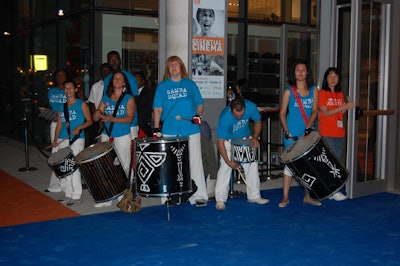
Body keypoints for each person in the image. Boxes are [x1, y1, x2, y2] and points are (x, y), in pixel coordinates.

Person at [152, 55, 208, 207]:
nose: (173, 67)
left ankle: (199, 195)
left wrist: (198, 115)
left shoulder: (190, 84)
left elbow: (200, 104)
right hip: (170, 130)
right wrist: (156, 128)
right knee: (170, 164)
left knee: (194, 163)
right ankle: (169, 196)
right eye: (170, 65)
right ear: (167, 69)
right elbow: (157, 109)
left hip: (190, 129)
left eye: (176, 64)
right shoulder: (162, 87)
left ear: (181, 67)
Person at [279, 60, 321, 208]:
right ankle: (285, 197)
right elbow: (283, 113)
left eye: (303, 70)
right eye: (298, 70)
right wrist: (286, 130)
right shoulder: (288, 91)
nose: (301, 73)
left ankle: (308, 195)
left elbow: (315, 110)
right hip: (292, 132)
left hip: (307, 132)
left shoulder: (313, 90)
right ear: (294, 72)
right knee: (290, 165)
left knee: (308, 164)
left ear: (307, 72)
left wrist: (309, 127)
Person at [214, 97, 269, 210]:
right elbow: (220, 143)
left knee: (251, 165)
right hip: (228, 141)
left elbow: (258, 121)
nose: (239, 118)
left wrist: (255, 137)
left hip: (245, 138)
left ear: (244, 108)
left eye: (241, 114)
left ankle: (254, 196)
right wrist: (229, 162)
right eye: (236, 115)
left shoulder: (251, 107)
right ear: (231, 109)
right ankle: (220, 199)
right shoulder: (225, 117)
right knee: (225, 167)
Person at [93, 71, 135, 207]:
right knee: (106, 164)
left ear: (124, 83)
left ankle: (122, 195)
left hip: (122, 135)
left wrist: (112, 119)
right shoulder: (105, 98)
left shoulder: (129, 98)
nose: (116, 80)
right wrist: (99, 112)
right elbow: (95, 118)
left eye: (120, 78)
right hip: (107, 134)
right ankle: (108, 196)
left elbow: (129, 118)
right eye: (114, 78)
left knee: (123, 165)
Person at [52, 79, 93, 206]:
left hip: (77, 138)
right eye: (66, 88)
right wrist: (55, 139)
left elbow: (89, 121)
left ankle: (77, 195)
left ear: (75, 90)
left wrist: (79, 128)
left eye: (70, 88)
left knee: (73, 167)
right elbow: (59, 124)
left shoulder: (81, 104)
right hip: (63, 139)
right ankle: (68, 194)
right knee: (65, 168)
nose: (68, 90)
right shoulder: (61, 107)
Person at [318, 67, 356, 201]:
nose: (333, 78)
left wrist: (347, 106)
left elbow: (340, 113)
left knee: (337, 162)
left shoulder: (340, 94)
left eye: (335, 76)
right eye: (330, 76)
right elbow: (326, 112)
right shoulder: (322, 93)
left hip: (339, 132)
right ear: (326, 78)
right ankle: (334, 191)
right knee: (332, 163)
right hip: (327, 132)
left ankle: (331, 189)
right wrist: (344, 106)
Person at [103, 51, 139, 140]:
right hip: (110, 124)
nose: (114, 62)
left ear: (120, 60)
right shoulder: (107, 79)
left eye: (116, 59)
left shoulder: (130, 77)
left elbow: (135, 99)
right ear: (108, 62)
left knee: (128, 152)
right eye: (111, 60)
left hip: (129, 123)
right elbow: (106, 100)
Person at [44, 68, 69, 193]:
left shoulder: (68, 90)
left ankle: (65, 183)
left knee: (64, 152)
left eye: (63, 74)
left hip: (66, 123)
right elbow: (49, 107)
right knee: (55, 152)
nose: (60, 77)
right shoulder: (51, 91)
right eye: (58, 75)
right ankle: (55, 184)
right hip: (54, 123)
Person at [87, 63, 111, 145]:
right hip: (97, 119)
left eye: (107, 71)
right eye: (103, 71)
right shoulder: (95, 86)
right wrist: (97, 117)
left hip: (110, 118)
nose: (105, 72)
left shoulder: (114, 86)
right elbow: (92, 102)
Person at [134, 71, 155, 138]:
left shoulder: (149, 92)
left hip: (143, 124)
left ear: (143, 82)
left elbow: (148, 109)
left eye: (137, 80)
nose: (134, 82)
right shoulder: (129, 93)